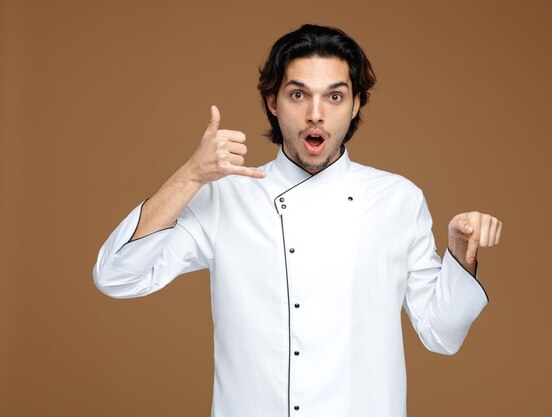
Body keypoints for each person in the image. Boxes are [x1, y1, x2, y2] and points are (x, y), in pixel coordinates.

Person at [93, 24, 502, 417]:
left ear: (357, 103)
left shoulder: (398, 200)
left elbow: (441, 334)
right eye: (298, 95)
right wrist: (192, 175)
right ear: (273, 102)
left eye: (335, 97)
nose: (315, 115)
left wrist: (460, 255)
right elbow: (117, 276)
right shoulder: (227, 196)